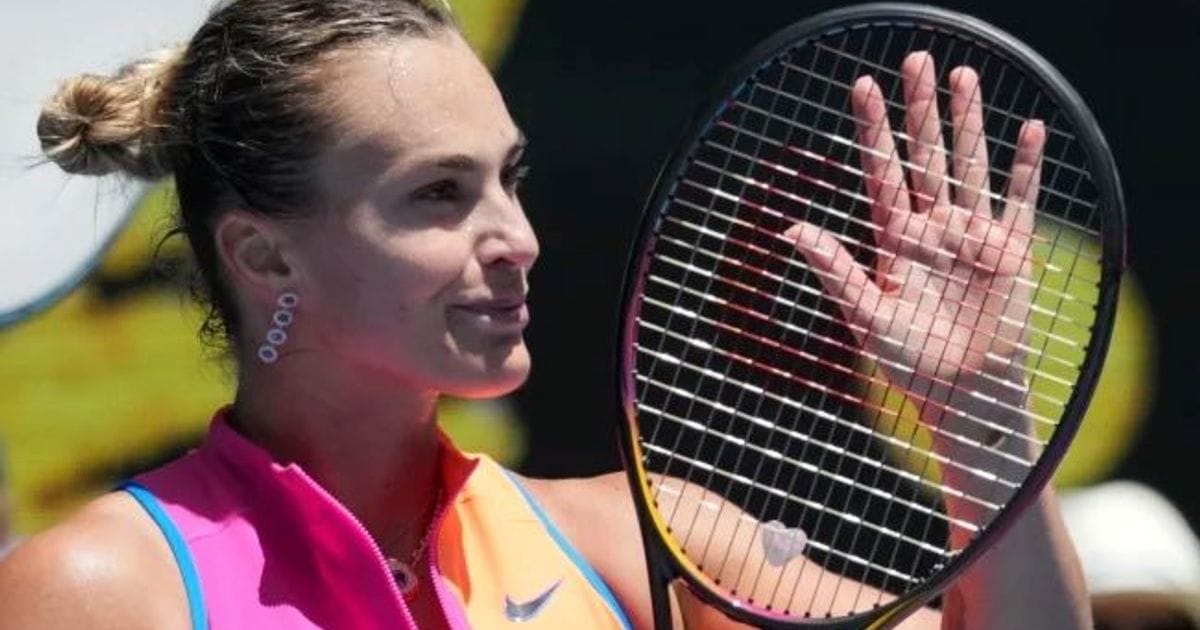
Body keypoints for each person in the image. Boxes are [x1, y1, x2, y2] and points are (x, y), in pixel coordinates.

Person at [0, 1, 1090, 628]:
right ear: (263, 254)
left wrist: (981, 423)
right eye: (440, 193)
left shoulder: (639, 541)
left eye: (509, 179)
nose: (516, 236)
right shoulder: (101, 591)